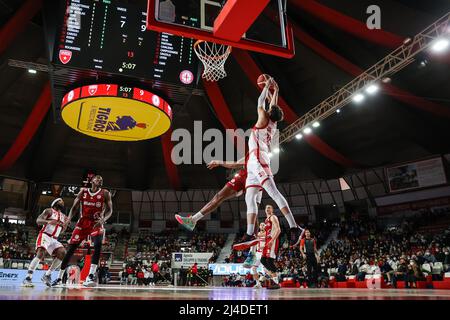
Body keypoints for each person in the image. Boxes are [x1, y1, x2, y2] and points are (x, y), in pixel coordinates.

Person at [233, 76, 304, 251]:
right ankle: (250, 234)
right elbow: (273, 106)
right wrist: (276, 90)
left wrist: (266, 87)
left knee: (273, 192)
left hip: (259, 160)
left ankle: (294, 226)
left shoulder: (263, 120)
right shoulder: (273, 121)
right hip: (253, 163)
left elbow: (260, 101)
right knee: (250, 197)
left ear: (268, 112)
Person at [52, 175, 113, 287]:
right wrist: (69, 219)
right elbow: (74, 208)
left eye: (101, 180)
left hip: (96, 222)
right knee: (71, 250)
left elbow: (110, 210)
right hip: (82, 222)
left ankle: (90, 276)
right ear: (92, 181)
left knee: (98, 244)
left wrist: (103, 220)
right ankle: (59, 278)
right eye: (97, 179)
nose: (100, 181)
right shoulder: (83, 192)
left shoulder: (105, 193)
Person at [175, 158, 262, 232]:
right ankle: (254, 243)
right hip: (256, 182)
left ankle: (193, 220)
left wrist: (219, 162)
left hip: (245, 179)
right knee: (254, 212)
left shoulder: (254, 152)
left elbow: (234, 164)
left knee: (219, 197)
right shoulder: (262, 154)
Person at [22, 198, 68, 287]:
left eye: (63, 201)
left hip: (54, 238)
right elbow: (38, 220)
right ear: (54, 203)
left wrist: (64, 226)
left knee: (62, 252)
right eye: (60, 201)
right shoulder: (49, 211)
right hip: (45, 235)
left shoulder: (63, 216)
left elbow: (61, 231)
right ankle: (28, 278)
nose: (62, 202)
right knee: (40, 254)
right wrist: (48, 221)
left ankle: (47, 275)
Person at [259, 204, 281, 290]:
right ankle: (271, 275)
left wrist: (272, 240)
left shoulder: (273, 217)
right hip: (267, 240)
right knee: (263, 260)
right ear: (265, 210)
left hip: (273, 240)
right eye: (266, 208)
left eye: (269, 208)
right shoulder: (266, 220)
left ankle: (276, 282)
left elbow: (279, 230)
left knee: (269, 260)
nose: (267, 209)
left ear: (272, 210)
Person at [243, 222, 266, 288]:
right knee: (253, 268)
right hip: (258, 253)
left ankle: (274, 281)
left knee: (266, 270)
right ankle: (258, 283)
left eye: (263, 225)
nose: (262, 226)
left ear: (265, 226)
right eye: (261, 225)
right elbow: (254, 244)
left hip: (265, 253)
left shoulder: (267, 233)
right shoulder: (257, 234)